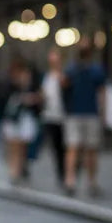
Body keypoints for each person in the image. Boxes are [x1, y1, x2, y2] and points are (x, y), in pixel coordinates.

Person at [63, 42, 107, 197]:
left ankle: (74, 180)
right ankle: (86, 181)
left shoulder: (74, 69)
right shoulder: (87, 69)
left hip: (78, 113)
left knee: (77, 148)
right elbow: (102, 93)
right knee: (87, 149)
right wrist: (103, 113)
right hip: (86, 112)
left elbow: (63, 86)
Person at [1, 60, 40, 185]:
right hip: (13, 119)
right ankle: (14, 171)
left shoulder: (32, 86)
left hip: (26, 118)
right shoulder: (10, 85)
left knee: (23, 146)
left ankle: (21, 167)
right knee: (14, 146)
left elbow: (39, 101)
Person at [39, 48, 66, 186]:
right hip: (50, 115)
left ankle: (67, 172)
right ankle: (61, 173)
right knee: (55, 146)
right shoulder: (47, 76)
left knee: (65, 146)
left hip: (64, 115)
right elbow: (43, 94)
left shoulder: (64, 75)